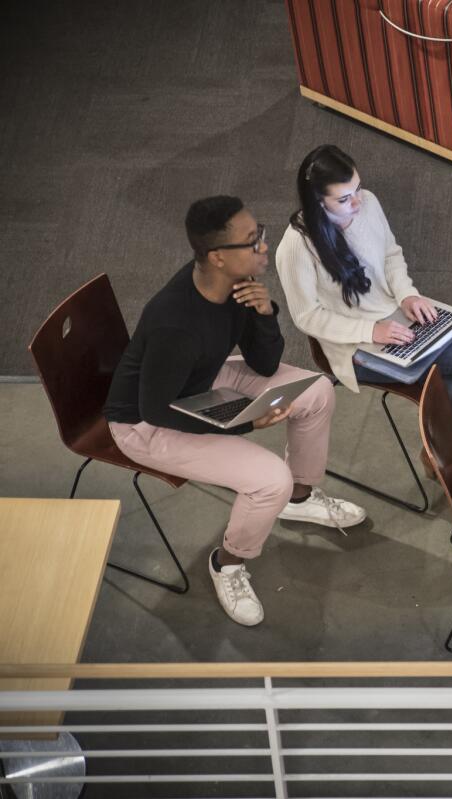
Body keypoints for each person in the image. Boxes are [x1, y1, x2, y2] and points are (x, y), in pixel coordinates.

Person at [103, 195, 366, 627]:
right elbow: (157, 408)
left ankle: (299, 499)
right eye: (252, 241)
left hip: (202, 382)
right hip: (146, 424)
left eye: (258, 232)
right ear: (218, 257)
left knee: (317, 390)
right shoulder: (175, 324)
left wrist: (264, 313)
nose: (264, 245)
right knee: (267, 481)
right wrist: (242, 419)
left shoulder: (233, 288)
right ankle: (227, 563)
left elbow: (263, 364)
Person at [276, 144, 452, 429]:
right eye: (345, 199)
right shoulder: (295, 247)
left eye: (358, 188)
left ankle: (436, 458)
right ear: (318, 202)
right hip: (356, 347)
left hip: (397, 316)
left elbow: (390, 255)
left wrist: (407, 294)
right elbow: (307, 317)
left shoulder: (369, 203)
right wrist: (371, 330)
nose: (358, 202)